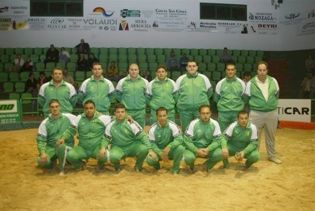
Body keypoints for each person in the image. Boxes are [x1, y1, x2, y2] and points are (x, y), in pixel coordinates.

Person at [245, 61, 282, 164]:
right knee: (254, 136)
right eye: (260, 70)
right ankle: (254, 156)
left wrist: (269, 105)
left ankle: (272, 156)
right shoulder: (250, 83)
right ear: (257, 71)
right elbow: (246, 98)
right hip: (256, 113)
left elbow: (277, 94)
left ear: (267, 70)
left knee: (271, 135)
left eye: (264, 70)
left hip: (271, 113)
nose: (262, 72)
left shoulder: (273, 80)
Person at [60, 100, 111, 171]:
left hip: (97, 148)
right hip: (83, 148)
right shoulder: (79, 118)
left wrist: (127, 117)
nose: (89, 110)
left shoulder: (103, 118)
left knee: (105, 155)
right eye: (86, 108)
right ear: (84, 109)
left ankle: (100, 165)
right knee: (70, 155)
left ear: (95, 108)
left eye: (91, 108)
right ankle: (80, 165)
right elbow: (71, 130)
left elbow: (117, 118)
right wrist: (63, 138)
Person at [105, 103, 151, 172]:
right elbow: (105, 139)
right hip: (118, 147)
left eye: (122, 112)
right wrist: (103, 147)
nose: (120, 114)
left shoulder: (131, 122)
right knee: (113, 157)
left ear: (125, 113)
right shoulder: (110, 125)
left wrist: (150, 149)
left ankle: (138, 166)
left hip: (131, 146)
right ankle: (117, 167)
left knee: (144, 149)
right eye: (118, 112)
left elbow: (142, 136)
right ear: (115, 113)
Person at [183, 105, 226, 171]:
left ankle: (206, 166)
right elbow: (187, 141)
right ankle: (191, 166)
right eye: (203, 113)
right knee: (188, 158)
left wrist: (208, 149)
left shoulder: (215, 123)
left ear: (210, 113)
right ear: (199, 114)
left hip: (208, 149)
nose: (205, 115)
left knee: (221, 153)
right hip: (195, 148)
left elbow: (217, 140)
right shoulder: (193, 123)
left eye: (207, 113)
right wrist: (196, 150)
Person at [36, 99, 76, 171]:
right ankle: (52, 164)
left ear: (60, 107)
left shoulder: (69, 117)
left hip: (66, 147)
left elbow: (83, 117)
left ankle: (68, 160)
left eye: (56, 106)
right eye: (52, 107)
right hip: (51, 148)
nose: (55, 109)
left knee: (73, 156)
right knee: (41, 161)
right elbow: (41, 140)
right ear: (49, 108)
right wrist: (42, 153)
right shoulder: (45, 123)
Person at [175, 60, 213, 131]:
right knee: (186, 131)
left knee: (200, 130)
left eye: (193, 66)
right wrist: (183, 103)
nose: (191, 68)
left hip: (200, 111)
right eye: (189, 66)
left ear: (197, 67)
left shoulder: (204, 78)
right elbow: (176, 94)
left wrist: (201, 101)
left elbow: (209, 92)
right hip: (185, 111)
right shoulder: (180, 79)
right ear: (186, 68)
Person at [147, 107, 185, 174]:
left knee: (180, 148)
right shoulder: (153, 128)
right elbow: (152, 144)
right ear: (157, 117)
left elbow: (179, 139)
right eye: (160, 116)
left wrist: (169, 146)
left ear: (167, 115)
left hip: (170, 150)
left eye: (164, 115)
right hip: (159, 151)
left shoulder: (172, 125)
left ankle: (175, 169)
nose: (162, 118)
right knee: (150, 158)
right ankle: (158, 168)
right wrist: (160, 153)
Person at [214, 63, 246, 131]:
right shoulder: (220, 83)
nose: (230, 71)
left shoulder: (241, 83)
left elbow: (244, 98)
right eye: (228, 70)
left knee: (236, 133)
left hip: (237, 112)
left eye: (232, 69)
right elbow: (216, 98)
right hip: (223, 113)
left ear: (235, 71)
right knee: (223, 134)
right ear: (226, 71)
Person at [116, 63, 149, 127]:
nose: (133, 71)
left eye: (135, 69)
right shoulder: (122, 81)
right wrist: (124, 102)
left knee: (140, 132)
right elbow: (117, 95)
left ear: (139, 70)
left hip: (140, 112)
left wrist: (142, 103)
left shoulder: (145, 82)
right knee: (126, 132)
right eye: (131, 69)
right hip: (127, 112)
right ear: (128, 70)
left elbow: (147, 96)